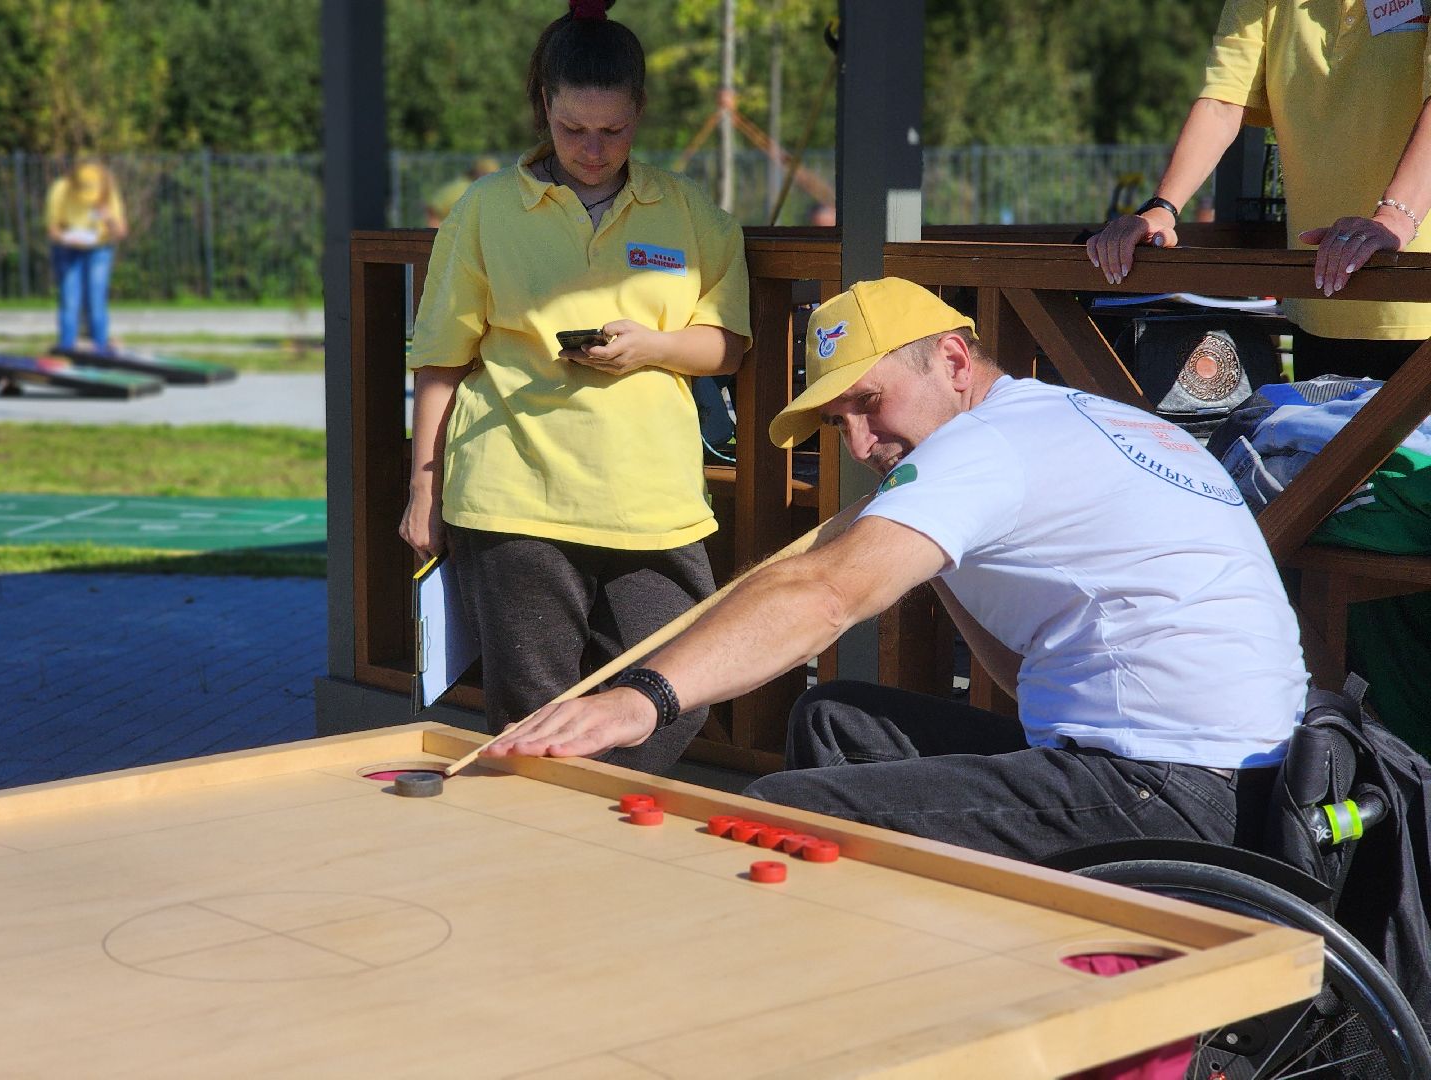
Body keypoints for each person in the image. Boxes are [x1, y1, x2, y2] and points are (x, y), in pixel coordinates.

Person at [481, 276, 1311, 865]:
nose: (858, 443)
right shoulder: (1063, 418)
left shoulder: (981, 450)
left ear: (954, 361)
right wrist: (941, 556)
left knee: (773, 820)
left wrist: (639, 700)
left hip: (1171, 784)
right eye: (837, 417)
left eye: (868, 402)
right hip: (1238, 771)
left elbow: (824, 593)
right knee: (835, 718)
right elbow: (1024, 678)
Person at [400, 0, 751, 775]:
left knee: (679, 688)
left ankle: (586, 836)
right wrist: (424, 486)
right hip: (514, 490)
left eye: (613, 131)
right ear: (543, 112)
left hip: (650, 496)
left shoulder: (689, 211)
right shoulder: (487, 207)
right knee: (532, 715)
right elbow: (440, 356)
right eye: (572, 130)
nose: (592, 151)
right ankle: (547, 870)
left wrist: (653, 346)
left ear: (640, 114)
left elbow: (726, 344)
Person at [1086, 0, 1431, 381]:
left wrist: (1394, 217)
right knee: (1329, 441)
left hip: (1419, 296)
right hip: (1322, 298)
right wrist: (1160, 209)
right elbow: (1222, 101)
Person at [45, 160, 127, 354]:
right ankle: (66, 348)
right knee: (69, 298)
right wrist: (67, 238)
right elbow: (53, 229)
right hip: (68, 248)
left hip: (99, 248)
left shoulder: (108, 190)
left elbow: (121, 231)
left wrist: (109, 218)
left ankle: (100, 350)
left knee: (96, 299)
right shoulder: (60, 189)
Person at [424, 156, 502, 229]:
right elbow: (433, 207)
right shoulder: (459, 188)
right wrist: (435, 231)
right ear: (478, 171)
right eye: (487, 174)